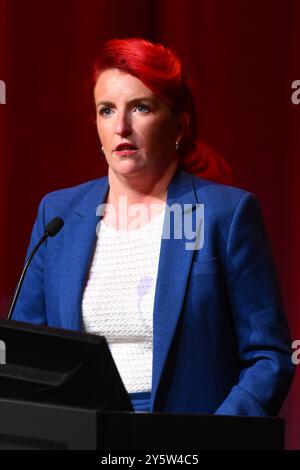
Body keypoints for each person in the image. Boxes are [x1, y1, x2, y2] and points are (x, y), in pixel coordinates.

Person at [12, 38, 294, 415]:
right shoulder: (58, 215)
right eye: (107, 110)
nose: (122, 127)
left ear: (179, 124)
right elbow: (26, 355)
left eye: (141, 107)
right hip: (81, 434)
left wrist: (214, 440)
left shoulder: (226, 214)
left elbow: (268, 357)